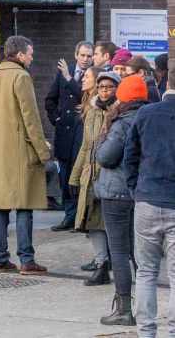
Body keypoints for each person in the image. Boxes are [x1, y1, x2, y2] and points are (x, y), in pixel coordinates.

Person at [0, 35, 50, 275]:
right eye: (29, 53)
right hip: (19, 150)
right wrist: (43, 151)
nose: (31, 57)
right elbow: (31, 118)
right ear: (19, 55)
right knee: (24, 204)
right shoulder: (21, 76)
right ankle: (27, 260)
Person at [95, 72, 150, 326]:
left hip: (115, 193)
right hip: (138, 192)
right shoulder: (149, 117)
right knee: (136, 250)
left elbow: (106, 157)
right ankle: (145, 305)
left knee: (118, 250)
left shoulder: (122, 122)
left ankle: (124, 308)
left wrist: (101, 141)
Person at [123, 69, 175, 337]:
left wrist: (136, 190)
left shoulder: (145, 114)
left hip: (147, 199)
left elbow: (129, 157)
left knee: (146, 272)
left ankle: (146, 332)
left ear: (167, 82)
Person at [69, 68, 119, 285]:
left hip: (112, 175)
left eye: (109, 87)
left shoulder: (121, 112)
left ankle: (117, 263)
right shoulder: (92, 110)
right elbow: (85, 146)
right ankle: (101, 264)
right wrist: (75, 176)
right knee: (92, 222)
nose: (105, 91)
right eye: (101, 87)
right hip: (90, 175)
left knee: (110, 224)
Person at [45, 40, 94, 231]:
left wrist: (68, 77)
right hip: (65, 133)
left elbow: (84, 97)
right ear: (76, 55)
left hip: (83, 133)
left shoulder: (94, 75)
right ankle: (69, 216)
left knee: (80, 177)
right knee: (65, 177)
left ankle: (81, 218)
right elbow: (50, 99)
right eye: (82, 55)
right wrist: (56, 119)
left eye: (89, 56)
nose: (85, 59)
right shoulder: (64, 72)